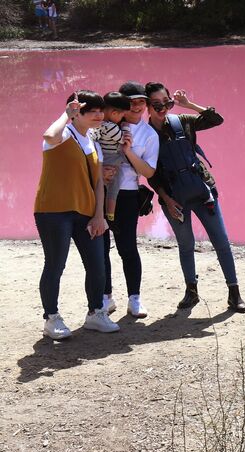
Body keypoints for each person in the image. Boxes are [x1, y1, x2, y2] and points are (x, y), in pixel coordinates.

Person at [145, 82, 245, 313]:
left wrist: (189, 105)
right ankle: (191, 292)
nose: (163, 109)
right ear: (147, 108)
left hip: (203, 192)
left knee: (221, 242)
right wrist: (167, 200)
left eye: (167, 103)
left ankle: (234, 293)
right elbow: (150, 175)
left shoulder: (183, 121)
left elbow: (216, 120)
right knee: (185, 245)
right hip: (174, 199)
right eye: (157, 105)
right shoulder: (145, 135)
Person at [34, 90, 120, 340]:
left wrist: (99, 216)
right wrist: (66, 114)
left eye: (99, 111)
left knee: (97, 264)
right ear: (77, 114)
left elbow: (97, 185)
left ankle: (95, 313)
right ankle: (51, 319)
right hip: (53, 211)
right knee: (55, 264)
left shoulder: (92, 142)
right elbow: (48, 135)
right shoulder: (61, 135)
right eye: (91, 111)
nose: (98, 115)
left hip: (86, 212)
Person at [102, 81, 158, 318]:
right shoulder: (106, 124)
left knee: (128, 248)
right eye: (131, 102)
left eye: (141, 102)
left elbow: (148, 172)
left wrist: (127, 151)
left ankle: (134, 298)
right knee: (100, 248)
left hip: (127, 194)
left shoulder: (149, 134)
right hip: (99, 192)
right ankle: (105, 297)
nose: (137, 107)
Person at [94, 92, 131, 224]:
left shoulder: (99, 124)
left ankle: (105, 213)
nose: (122, 118)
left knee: (102, 186)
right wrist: (126, 129)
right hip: (112, 159)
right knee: (114, 187)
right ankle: (110, 215)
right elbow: (123, 140)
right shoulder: (112, 127)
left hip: (104, 158)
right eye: (122, 115)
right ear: (114, 113)